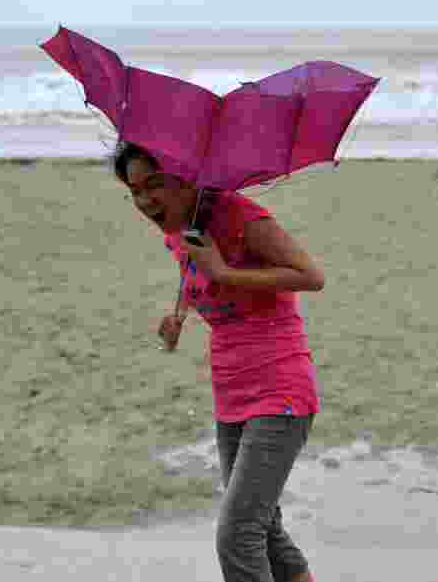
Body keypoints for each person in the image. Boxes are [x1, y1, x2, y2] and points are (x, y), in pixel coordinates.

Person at [114, 139, 322, 582]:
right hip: (230, 389)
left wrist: (224, 272)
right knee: (264, 530)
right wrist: (179, 318)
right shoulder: (180, 232)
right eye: (135, 191)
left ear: (188, 178)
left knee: (237, 534)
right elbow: (202, 282)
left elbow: (310, 276)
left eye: (156, 185)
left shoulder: (238, 216)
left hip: (280, 387)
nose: (146, 200)